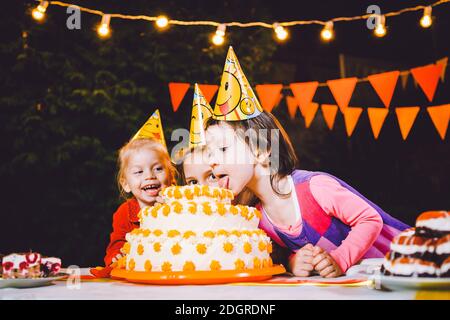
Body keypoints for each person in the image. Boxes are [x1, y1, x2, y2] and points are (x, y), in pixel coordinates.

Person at [204, 46, 409, 278]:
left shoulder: (314, 188)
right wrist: (293, 262)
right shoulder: (258, 217)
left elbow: (369, 219)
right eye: (208, 152)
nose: (211, 160)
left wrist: (340, 259)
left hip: (401, 271)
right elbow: (282, 253)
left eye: (222, 148)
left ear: (262, 150)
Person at [103, 137, 176, 266]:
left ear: (171, 175)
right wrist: (116, 256)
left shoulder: (179, 207)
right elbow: (117, 244)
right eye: (138, 172)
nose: (149, 176)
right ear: (126, 184)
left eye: (158, 169)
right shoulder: (124, 213)